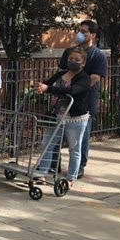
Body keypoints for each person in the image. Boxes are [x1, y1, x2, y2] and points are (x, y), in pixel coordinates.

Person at [34, 47, 91, 187]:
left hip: (75, 118)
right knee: (47, 144)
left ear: (83, 63)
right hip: (57, 115)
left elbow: (72, 91)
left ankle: (71, 177)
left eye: (77, 60)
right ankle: (43, 173)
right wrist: (41, 87)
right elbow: (47, 84)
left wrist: (50, 89)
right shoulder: (61, 74)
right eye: (71, 59)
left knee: (74, 148)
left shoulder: (85, 78)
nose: (72, 62)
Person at [58, 19, 107, 178]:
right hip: (65, 100)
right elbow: (61, 73)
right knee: (58, 132)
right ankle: (54, 162)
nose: (80, 34)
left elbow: (95, 78)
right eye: (79, 30)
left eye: (84, 32)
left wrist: (76, 89)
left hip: (85, 101)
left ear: (93, 35)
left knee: (81, 137)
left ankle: (80, 166)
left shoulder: (98, 55)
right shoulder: (69, 52)